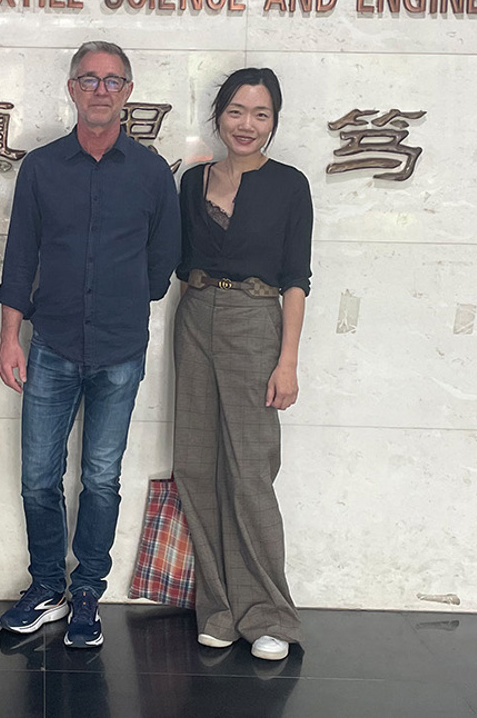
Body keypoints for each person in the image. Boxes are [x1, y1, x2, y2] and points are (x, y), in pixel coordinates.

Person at [0, 41, 180, 648]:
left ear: (128, 92)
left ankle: (87, 593)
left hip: (120, 350)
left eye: (112, 81)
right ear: (72, 89)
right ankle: (48, 585)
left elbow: (163, 261)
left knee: (101, 477)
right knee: (38, 477)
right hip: (50, 344)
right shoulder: (42, 168)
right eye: (90, 80)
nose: (101, 90)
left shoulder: (152, 172)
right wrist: (9, 337)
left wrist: (125, 300)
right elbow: (20, 257)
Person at [172, 67, 312, 661]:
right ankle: (219, 609)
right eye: (236, 111)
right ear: (218, 116)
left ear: (274, 120)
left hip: (256, 322)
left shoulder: (289, 185)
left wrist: (288, 362)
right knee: (196, 466)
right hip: (195, 317)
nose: (246, 124)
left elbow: (296, 279)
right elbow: (180, 263)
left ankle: (269, 613)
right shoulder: (193, 182)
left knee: (250, 471)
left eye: (260, 113)